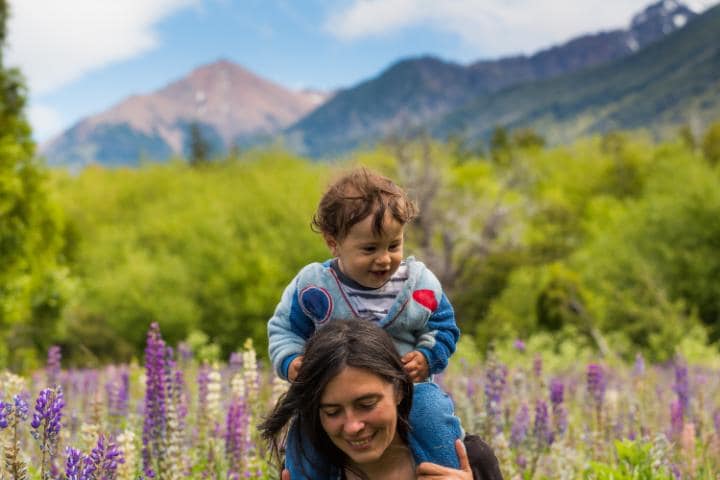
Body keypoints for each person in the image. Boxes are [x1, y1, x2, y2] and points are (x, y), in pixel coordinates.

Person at [267, 167, 463, 478]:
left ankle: (445, 472)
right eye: (369, 249)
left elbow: (444, 327)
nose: (384, 259)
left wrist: (427, 357)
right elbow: (284, 330)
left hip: (409, 388)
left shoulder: (418, 285)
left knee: (433, 413)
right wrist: (291, 360)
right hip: (330, 390)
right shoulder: (315, 286)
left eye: (394, 245)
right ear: (334, 243)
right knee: (305, 431)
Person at [260, 320, 503, 480]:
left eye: (366, 404)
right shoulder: (308, 466)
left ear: (398, 390)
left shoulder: (470, 461)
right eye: (333, 412)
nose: (353, 426)